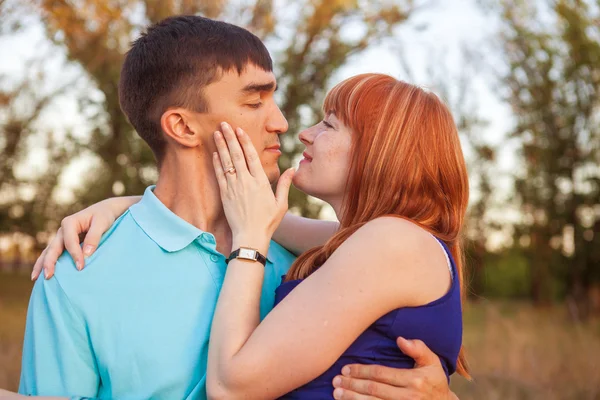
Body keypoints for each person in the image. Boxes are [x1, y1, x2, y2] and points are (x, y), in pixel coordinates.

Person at [16, 15, 458, 400]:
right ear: (183, 126)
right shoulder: (78, 273)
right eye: (254, 101)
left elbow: (232, 387)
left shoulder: (310, 265)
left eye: (328, 124)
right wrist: (129, 206)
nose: (286, 125)